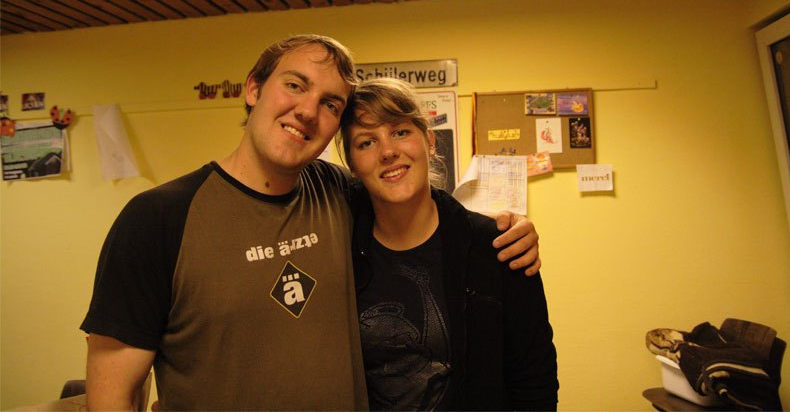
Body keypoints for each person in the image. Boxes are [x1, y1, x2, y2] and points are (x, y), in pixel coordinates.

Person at [80, 34, 542, 410]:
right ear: (254, 89)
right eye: (295, 85)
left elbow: (408, 198)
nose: (307, 111)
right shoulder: (158, 218)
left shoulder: (336, 193)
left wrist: (496, 229)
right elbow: (113, 393)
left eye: (330, 104)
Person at [338, 77, 558, 411]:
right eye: (366, 142)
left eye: (400, 132)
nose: (388, 151)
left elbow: (534, 378)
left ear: (429, 140)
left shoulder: (498, 246)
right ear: (352, 165)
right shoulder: (339, 248)